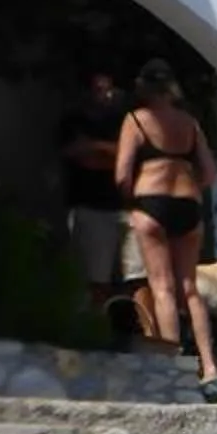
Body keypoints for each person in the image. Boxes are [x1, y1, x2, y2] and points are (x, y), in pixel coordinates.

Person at [115, 59, 217, 381]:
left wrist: (132, 200)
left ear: (143, 87)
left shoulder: (136, 120)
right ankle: (210, 365)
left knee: (162, 287)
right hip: (188, 204)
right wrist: (190, 186)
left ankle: (176, 366)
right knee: (189, 288)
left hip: (151, 202)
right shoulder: (189, 123)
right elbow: (211, 173)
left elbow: (122, 173)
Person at [56, 70, 130, 318]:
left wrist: (96, 147)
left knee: (129, 276)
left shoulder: (121, 121)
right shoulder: (73, 121)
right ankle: (93, 323)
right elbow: (77, 155)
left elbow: (127, 157)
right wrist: (109, 156)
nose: (104, 95)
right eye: (98, 89)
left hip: (120, 205)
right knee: (93, 276)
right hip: (90, 205)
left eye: (107, 89)